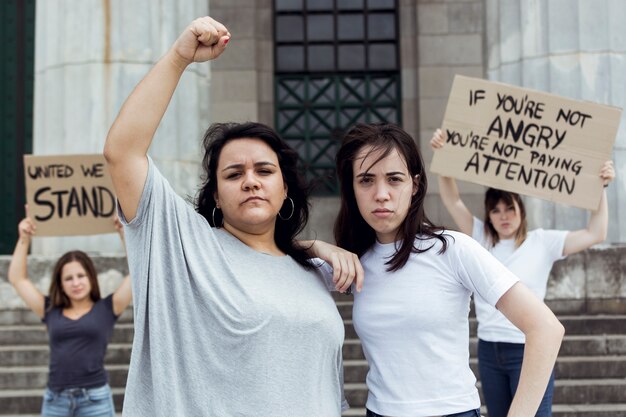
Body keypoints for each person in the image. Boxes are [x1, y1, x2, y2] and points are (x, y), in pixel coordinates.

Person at [104, 16, 362, 417]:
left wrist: (309, 248)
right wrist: (178, 58)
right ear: (217, 198)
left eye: (264, 171)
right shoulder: (187, 247)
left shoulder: (312, 272)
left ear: (285, 189)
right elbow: (122, 152)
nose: (251, 181)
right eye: (234, 174)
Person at [333, 122, 564, 417]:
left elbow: (546, 328)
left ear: (414, 185)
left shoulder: (451, 248)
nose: (381, 194)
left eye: (394, 179)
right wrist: (319, 247)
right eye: (366, 180)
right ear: (352, 188)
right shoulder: (352, 261)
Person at [430, 128, 615, 417]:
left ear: (521, 210)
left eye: (509, 208)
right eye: (496, 210)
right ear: (488, 215)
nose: (503, 216)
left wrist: (600, 188)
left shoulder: (542, 241)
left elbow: (596, 232)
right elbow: (453, 201)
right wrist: (443, 156)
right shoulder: (480, 236)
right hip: (490, 350)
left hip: (528, 349)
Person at [7, 210, 132, 417]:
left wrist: (123, 233)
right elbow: (17, 279)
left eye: (81, 275)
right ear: (60, 284)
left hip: (95, 400)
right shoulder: (49, 310)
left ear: (91, 277)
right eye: (69, 278)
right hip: (56, 400)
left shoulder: (108, 308)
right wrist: (24, 238)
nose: (76, 283)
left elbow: (136, 272)